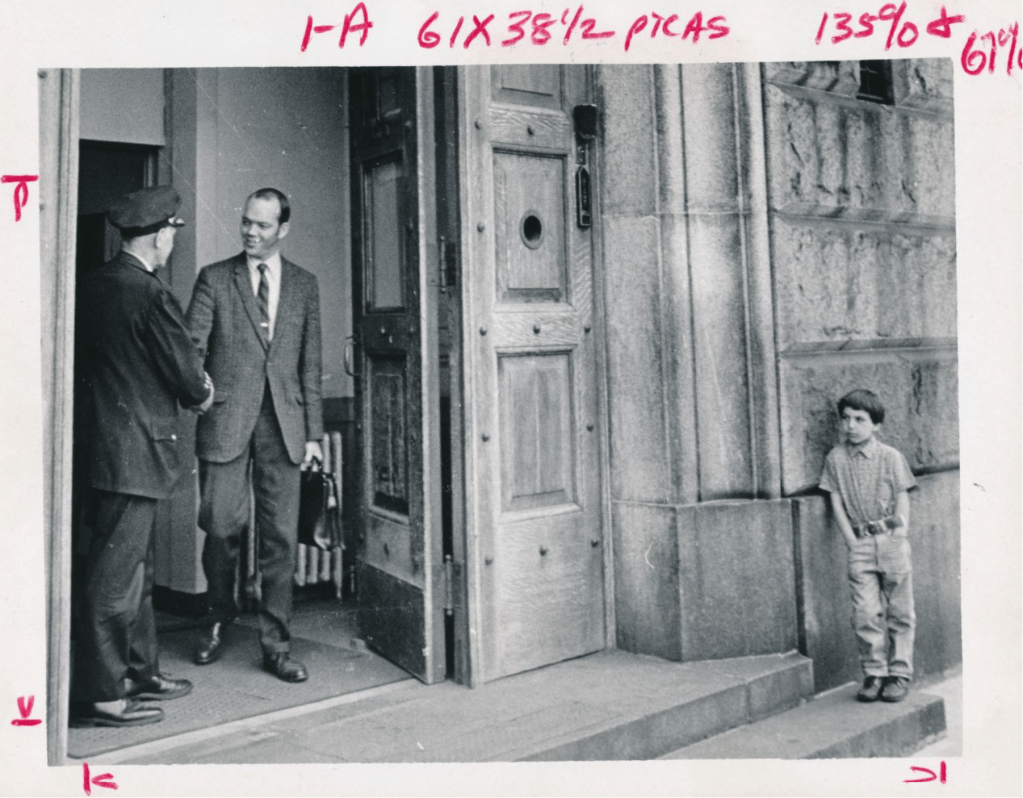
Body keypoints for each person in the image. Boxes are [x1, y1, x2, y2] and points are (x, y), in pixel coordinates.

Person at [71, 186, 214, 728]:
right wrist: (204, 392)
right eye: (172, 231)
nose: (172, 240)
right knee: (115, 579)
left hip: (105, 451)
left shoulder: (94, 284)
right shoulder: (151, 293)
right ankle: (103, 694)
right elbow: (186, 374)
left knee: (136, 570)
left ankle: (140, 671)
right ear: (159, 236)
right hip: (135, 455)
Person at [187, 187, 323, 683]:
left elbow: (310, 365)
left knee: (281, 538)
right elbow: (191, 349)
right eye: (247, 221)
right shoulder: (214, 278)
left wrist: (313, 435)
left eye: (263, 225)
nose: (250, 231)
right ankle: (217, 617)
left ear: (283, 229)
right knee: (221, 526)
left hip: (284, 426)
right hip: (225, 421)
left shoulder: (305, 285)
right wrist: (199, 394)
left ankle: (277, 645)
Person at [818, 389, 918, 703]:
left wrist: (898, 534)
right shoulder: (835, 458)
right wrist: (850, 539)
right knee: (865, 613)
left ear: (876, 425)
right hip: (859, 544)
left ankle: (899, 673)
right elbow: (835, 501)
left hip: (891, 540)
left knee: (900, 611)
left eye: (860, 419)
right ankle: (875, 672)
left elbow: (902, 496)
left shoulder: (890, 457)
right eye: (846, 418)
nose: (851, 425)